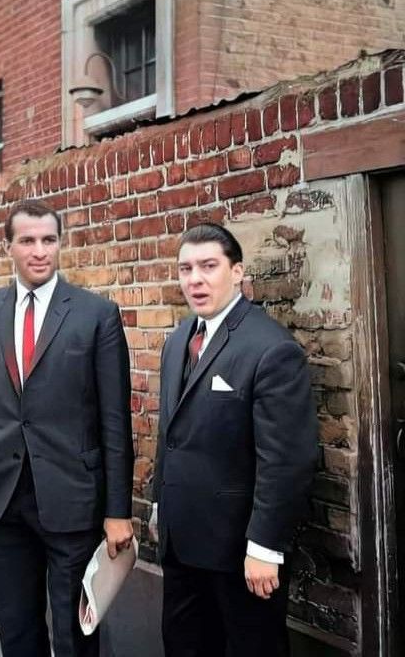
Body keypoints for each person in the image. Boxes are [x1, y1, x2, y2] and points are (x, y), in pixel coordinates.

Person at [0, 200, 134, 656]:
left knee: (74, 635)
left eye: (49, 240)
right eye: (28, 241)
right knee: (16, 633)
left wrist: (118, 510)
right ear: (9, 247)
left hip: (71, 500)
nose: (40, 251)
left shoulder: (96, 314)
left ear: (60, 243)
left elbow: (115, 420)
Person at [150, 223, 318, 657]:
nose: (195, 279)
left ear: (238, 271)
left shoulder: (270, 348)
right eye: (186, 268)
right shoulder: (178, 340)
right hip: (182, 542)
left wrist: (265, 546)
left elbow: (287, 460)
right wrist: (158, 506)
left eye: (209, 266)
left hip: (239, 551)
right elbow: (170, 433)